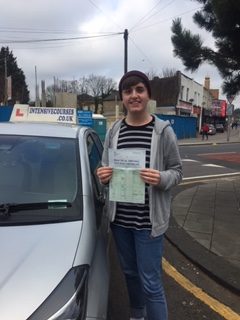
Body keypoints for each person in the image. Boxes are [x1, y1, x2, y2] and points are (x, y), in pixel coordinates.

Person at [97, 70, 183, 320]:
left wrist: (161, 178)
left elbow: (177, 172)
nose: (134, 95)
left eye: (139, 90)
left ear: (148, 95)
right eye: (128, 91)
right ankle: (137, 315)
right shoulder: (114, 131)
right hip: (120, 221)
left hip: (148, 224)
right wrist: (101, 175)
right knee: (130, 274)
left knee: (151, 282)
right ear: (122, 97)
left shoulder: (163, 131)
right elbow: (103, 168)